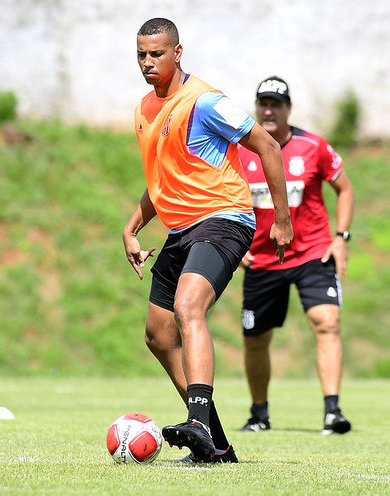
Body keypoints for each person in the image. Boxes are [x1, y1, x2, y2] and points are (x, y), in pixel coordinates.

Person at [122, 19, 293, 464]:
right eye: (141, 54)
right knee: (158, 335)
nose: (147, 63)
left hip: (224, 219)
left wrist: (281, 219)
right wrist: (132, 226)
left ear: (177, 53)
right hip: (181, 230)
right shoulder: (143, 109)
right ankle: (214, 444)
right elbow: (163, 180)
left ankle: (197, 420)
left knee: (188, 306)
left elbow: (268, 147)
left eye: (156, 54)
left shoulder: (205, 101)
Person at [237, 76, 355, 435]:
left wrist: (340, 238)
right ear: (257, 107)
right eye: (264, 103)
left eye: (277, 104)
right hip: (262, 258)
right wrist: (236, 243)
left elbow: (345, 190)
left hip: (313, 254)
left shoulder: (313, 147)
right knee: (256, 338)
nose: (269, 110)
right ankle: (259, 415)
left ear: (289, 109)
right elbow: (226, 197)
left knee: (327, 322)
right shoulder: (242, 151)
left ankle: (332, 414)